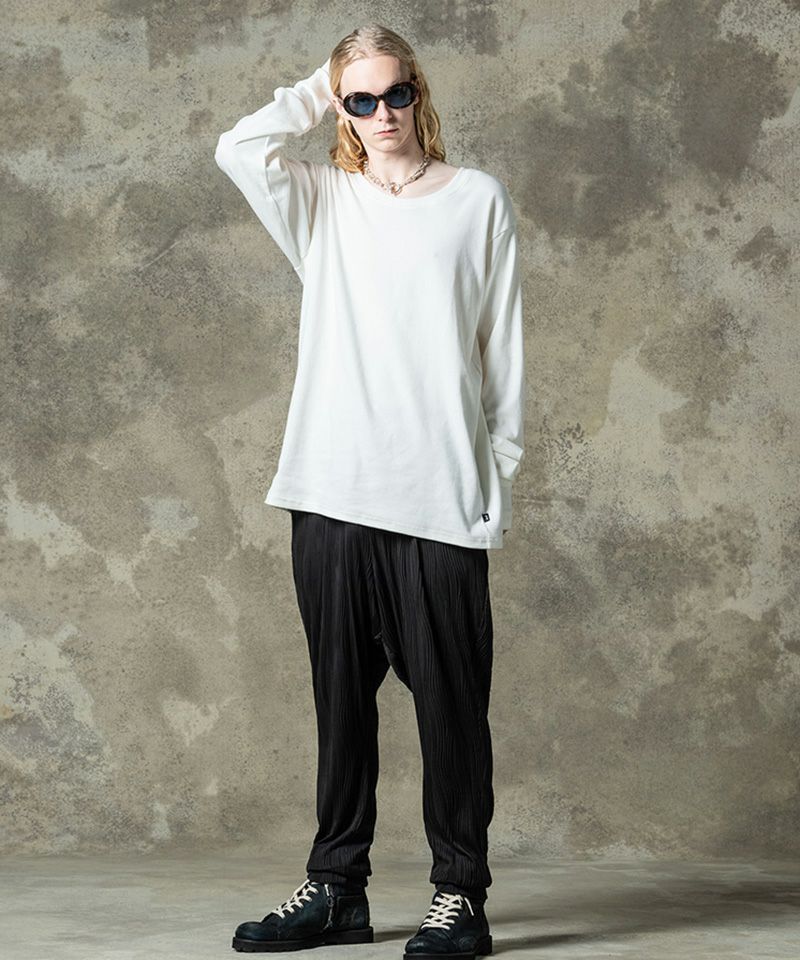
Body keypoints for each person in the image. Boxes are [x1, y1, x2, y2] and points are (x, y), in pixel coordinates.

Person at [214, 21, 524, 960]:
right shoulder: (321, 201)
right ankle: (336, 890)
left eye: (396, 93)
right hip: (331, 489)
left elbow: (501, 349)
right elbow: (239, 147)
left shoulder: (476, 200)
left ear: (419, 92)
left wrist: (498, 472)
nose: (382, 112)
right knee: (341, 706)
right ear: (341, 108)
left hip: (439, 495)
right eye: (361, 99)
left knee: (452, 710)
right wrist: (324, 81)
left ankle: (460, 896)